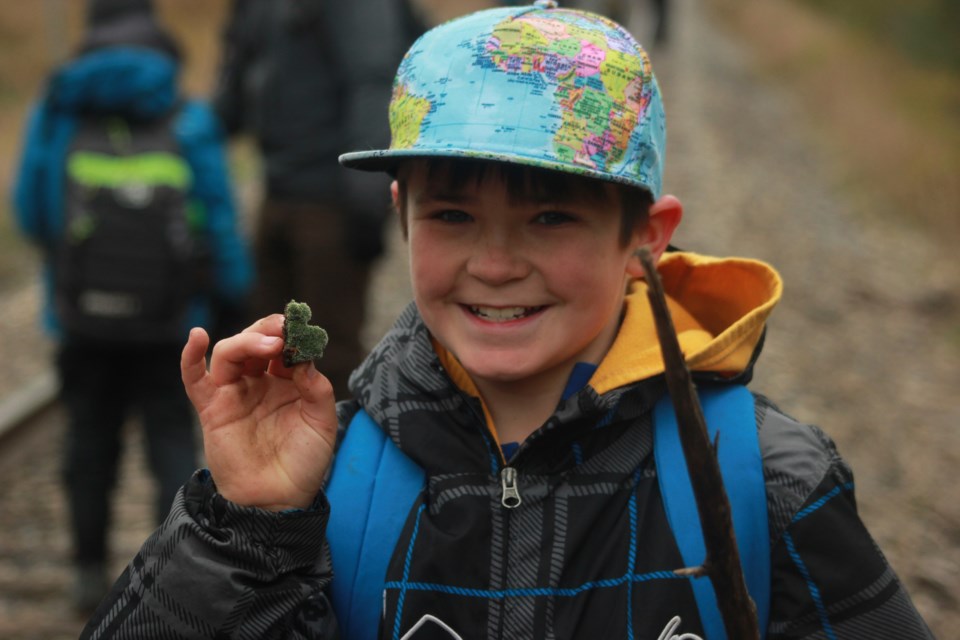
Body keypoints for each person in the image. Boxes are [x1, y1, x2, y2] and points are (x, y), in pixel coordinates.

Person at [81, 3, 933, 638]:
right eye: (452, 216)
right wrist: (247, 526)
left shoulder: (767, 484)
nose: (494, 264)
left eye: (550, 217)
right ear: (401, 215)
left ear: (647, 235)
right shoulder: (334, 486)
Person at [10, 0, 253, 615]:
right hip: (171, 318)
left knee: (88, 446)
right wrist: (231, 293)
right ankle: (172, 577)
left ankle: (88, 576)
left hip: (80, 318)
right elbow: (218, 215)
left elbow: (31, 211)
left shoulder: (60, 107)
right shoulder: (182, 111)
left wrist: (70, 268)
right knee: (171, 439)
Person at [211, 0, 413, 398]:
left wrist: (366, 199)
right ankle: (269, 448)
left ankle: (337, 452)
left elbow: (372, 81)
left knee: (328, 354)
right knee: (265, 343)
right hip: (277, 191)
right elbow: (236, 79)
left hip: (331, 201)